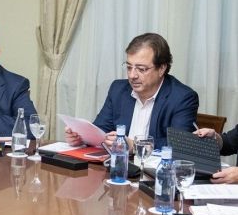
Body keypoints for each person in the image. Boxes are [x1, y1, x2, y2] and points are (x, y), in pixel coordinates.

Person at [65, 33, 198, 150]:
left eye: (141, 69)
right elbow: (101, 130)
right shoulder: (118, 90)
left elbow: (179, 145)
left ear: (161, 69)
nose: (132, 75)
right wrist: (82, 138)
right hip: (116, 165)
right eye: (129, 67)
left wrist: (136, 146)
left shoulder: (182, 97)